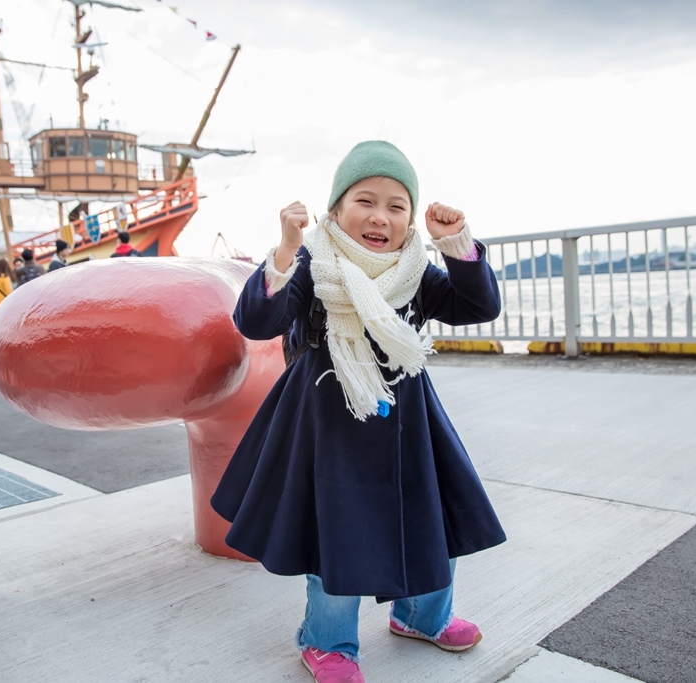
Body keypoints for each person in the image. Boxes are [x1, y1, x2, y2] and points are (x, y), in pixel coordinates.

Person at [210, 141, 505, 683]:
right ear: (335, 211)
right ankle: (327, 641)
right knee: (335, 534)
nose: (380, 216)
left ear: (411, 220)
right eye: (365, 200)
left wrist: (457, 246)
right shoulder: (313, 266)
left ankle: (421, 616)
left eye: (397, 206)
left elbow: (479, 306)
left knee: (430, 519)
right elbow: (255, 321)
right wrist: (283, 251)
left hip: (407, 424)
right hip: (327, 428)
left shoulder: (415, 270)